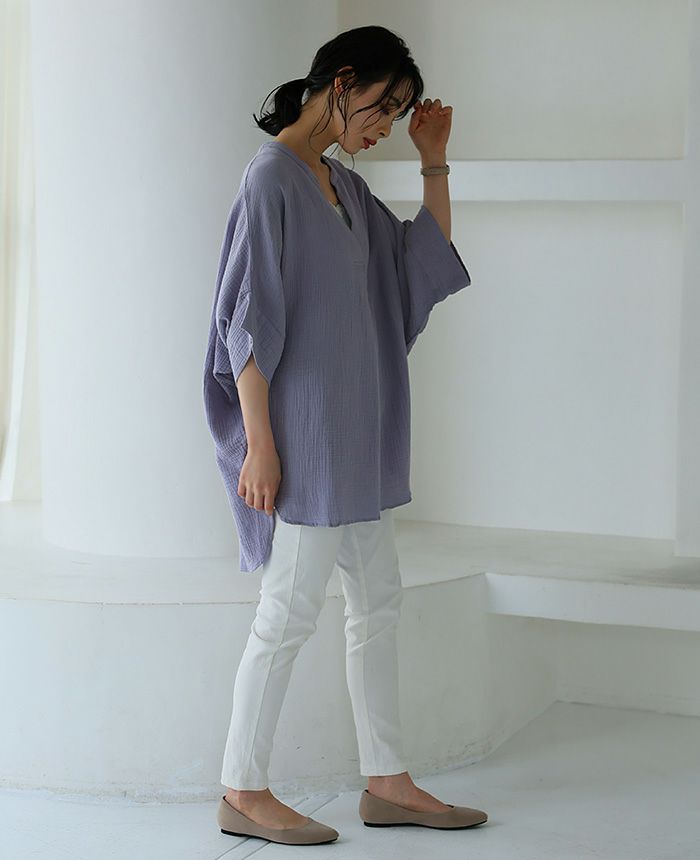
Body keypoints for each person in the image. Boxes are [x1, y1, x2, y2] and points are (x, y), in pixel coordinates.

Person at [203, 24, 487, 846]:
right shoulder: (271, 180)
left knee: (377, 606)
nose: (385, 126)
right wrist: (261, 444)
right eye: (383, 107)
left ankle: (387, 780)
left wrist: (434, 160)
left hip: (359, 438)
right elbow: (246, 323)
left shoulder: (344, 188)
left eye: (397, 114)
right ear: (341, 81)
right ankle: (242, 790)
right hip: (306, 443)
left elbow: (416, 264)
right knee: (287, 614)